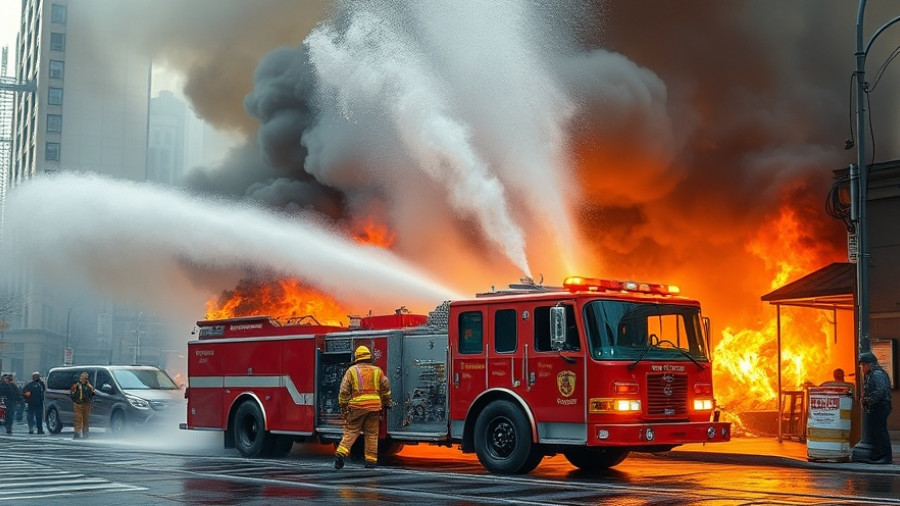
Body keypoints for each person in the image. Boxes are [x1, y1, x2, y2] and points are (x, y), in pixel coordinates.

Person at [334, 346, 391, 469]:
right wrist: (387, 403)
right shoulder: (377, 371)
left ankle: (341, 454)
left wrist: (343, 405)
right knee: (372, 434)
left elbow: (344, 390)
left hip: (357, 406)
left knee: (351, 431)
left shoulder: (352, 371)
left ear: (357, 358)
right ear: (368, 357)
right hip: (374, 407)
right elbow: (385, 388)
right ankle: (370, 461)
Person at [859, 352, 893, 464]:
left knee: (880, 432)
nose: (862, 368)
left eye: (863, 365)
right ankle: (878, 454)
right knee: (876, 432)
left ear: (868, 364)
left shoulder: (877, 374)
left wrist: (869, 400)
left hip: (880, 407)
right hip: (877, 406)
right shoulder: (871, 374)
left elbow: (880, 392)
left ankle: (886, 457)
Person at [70, 371, 95, 439]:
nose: (84, 379)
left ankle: (85, 433)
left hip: (87, 404)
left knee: (86, 419)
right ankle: (77, 433)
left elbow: (93, 393)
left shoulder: (89, 386)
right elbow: (72, 394)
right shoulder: (76, 385)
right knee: (78, 419)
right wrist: (76, 401)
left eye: (85, 377)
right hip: (78, 404)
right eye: (83, 377)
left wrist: (91, 397)